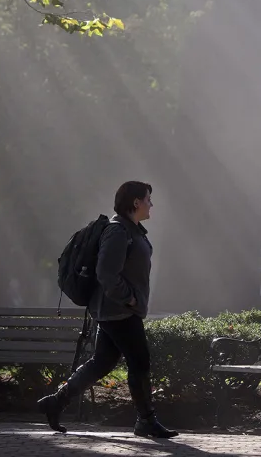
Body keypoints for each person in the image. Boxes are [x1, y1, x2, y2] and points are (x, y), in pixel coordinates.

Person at [38, 181, 178, 438]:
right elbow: (106, 273)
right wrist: (130, 299)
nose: (151, 204)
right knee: (140, 361)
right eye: (148, 199)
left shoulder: (132, 230)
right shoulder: (117, 232)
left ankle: (56, 402)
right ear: (135, 202)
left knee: (102, 362)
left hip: (116, 310)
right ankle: (146, 420)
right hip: (119, 311)